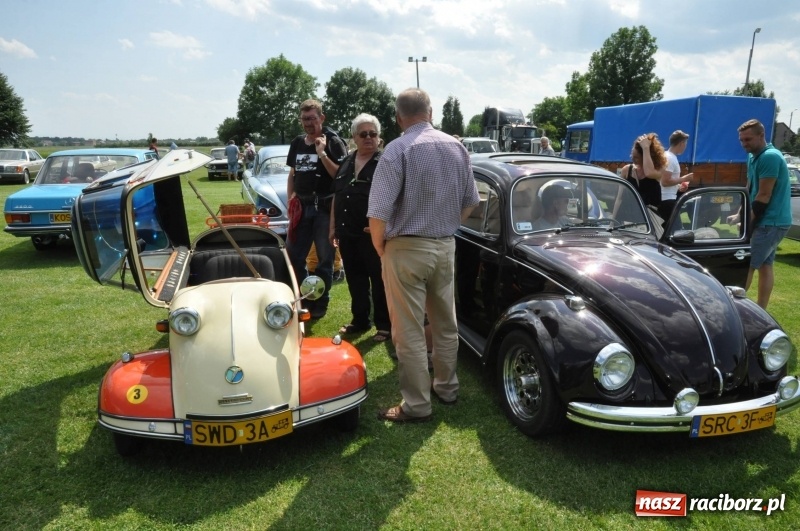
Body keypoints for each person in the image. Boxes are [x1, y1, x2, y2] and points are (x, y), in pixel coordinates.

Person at [369, 88, 479, 423]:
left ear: (398, 118)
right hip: (444, 244)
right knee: (445, 324)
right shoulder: (457, 147)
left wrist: (381, 246)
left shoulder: (396, 150)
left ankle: (417, 405)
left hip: (406, 247)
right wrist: (447, 226)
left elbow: (378, 213)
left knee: (409, 330)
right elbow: (471, 202)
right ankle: (447, 388)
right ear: (430, 113)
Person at [330, 113, 391, 342]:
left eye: (373, 134)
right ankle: (360, 320)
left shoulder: (385, 163)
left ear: (379, 137)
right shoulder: (346, 161)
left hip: (373, 234)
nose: (368, 138)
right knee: (355, 279)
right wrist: (332, 227)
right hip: (347, 233)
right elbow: (337, 195)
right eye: (363, 134)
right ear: (354, 137)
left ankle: (384, 325)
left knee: (379, 279)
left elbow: (395, 199)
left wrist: (386, 227)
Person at [286, 99, 348, 319]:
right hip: (301, 208)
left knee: (325, 260)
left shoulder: (333, 141)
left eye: (312, 118)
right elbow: (292, 174)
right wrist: (290, 199)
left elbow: (340, 175)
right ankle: (305, 297)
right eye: (304, 119)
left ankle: (321, 302)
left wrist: (322, 153)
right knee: (294, 257)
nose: (308, 123)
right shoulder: (297, 142)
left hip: (324, 208)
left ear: (322, 118)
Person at [727, 119, 791, 309]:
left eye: (748, 139)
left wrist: (747, 222)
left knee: (747, 264)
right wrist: (739, 214)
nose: (744, 144)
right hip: (768, 221)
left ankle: (734, 309)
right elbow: (750, 189)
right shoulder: (753, 156)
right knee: (765, 265)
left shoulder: (770, 157)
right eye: (741, 140)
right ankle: (762, 310)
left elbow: (764, 195)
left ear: (762, 135)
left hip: (771, 222)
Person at [618, 133, 667, 211]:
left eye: (636, 157)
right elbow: (619, 198)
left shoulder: (659, 170)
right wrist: (613, 218)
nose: (632, 159)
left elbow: (649, 173)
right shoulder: (626, 170)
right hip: (627, 215)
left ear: (646, 156)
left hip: (647, 217)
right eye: (631, 155)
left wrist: (646, 148)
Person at [659, 130, 694, 220]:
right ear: (681, 143)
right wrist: (684, 178)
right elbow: (665, 182)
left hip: (666, 198)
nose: (685, 146)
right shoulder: (670, 158)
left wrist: (678, 187)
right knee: (676, 228)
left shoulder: (668, 156)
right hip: (667, 200)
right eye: (685, 143)